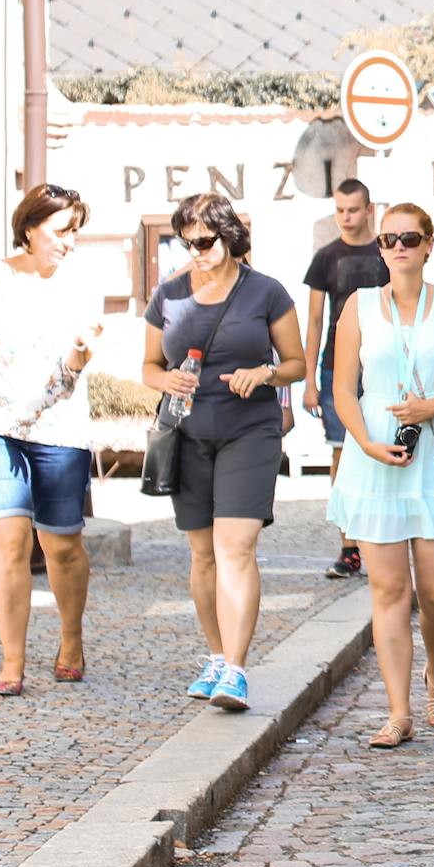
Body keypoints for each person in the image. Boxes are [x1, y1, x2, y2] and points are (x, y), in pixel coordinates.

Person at [329, 203, 434, 749]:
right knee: (389, 590)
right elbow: (343, 389)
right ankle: (398, 712)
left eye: (409, 237)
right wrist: (368, 444)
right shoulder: (359, 306)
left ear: (427, 245)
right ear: (380, 248)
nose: (399, 246)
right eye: (389, 239)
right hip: (375, 461)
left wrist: (432, 406)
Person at [143, 193, 308, 715]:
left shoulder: (266, 292)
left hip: (250, 431)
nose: (195, 251)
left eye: (205, 241)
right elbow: (148, 366)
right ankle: (215, 656)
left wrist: (266, 373)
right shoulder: (167, 295)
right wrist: (164, 379)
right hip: (188, 434)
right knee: (202, 553)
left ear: (229, 236)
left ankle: (235, 670)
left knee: (235, 546)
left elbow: (298, 362)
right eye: (186, 242)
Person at [0, 183, 103, 696]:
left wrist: (81, 353)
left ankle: (72, 637)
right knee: (8, 543)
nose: (70, 242)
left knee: (60, 545)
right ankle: (12, 661)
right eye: (62, 231)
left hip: (59, 428)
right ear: (31, 228)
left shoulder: (81, 286)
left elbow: (74, 368)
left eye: (76, 231)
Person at [302, 178, 387, 579]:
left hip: (383, 368)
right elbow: (315, 321)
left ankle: (384, 540)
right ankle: (349, 546)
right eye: (339, 210)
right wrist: (308, 380)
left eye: (353, 209)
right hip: (337, 366)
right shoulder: (325, 258)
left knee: (384, 446)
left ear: (369, 210)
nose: (346, 217)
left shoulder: (386, 252)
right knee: (342, 453)